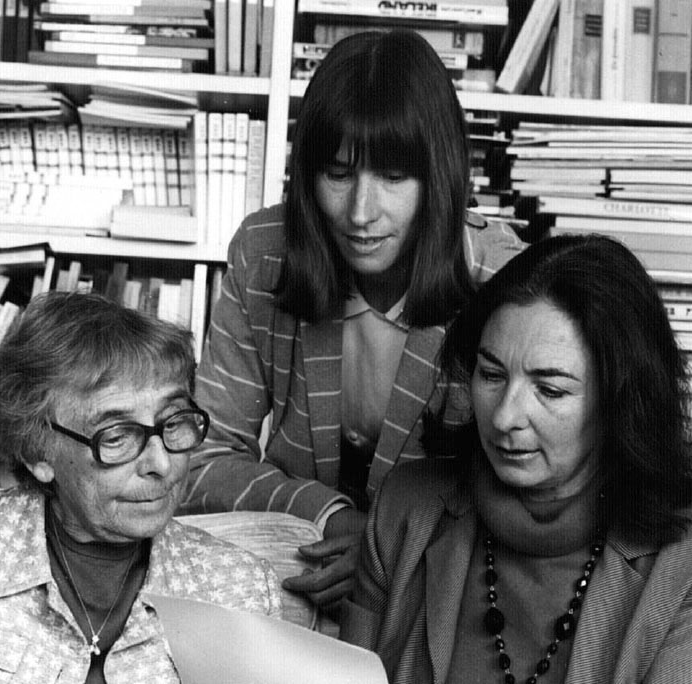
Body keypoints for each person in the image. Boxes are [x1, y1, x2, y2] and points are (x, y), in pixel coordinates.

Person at [182, 29, 525, 606]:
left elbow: (530, 490)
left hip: (440, 587)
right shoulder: (264, 250)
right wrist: (333, 516)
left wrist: (386, 541)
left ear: (438, 177)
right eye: (339, 174)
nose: (360, 213)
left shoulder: (502, 276)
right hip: (294, 563)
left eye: (393, 177)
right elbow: (202, 455)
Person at [0, 292, 281, 684]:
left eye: (175, 421)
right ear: (38, 454)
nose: (161, 464)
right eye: (118, 436)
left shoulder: (238, 588)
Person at [339, 234, 692, 684]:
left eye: (549, 390)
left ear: (621, 403)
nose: (505, 416)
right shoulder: (406, 509)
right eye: (490, 374)